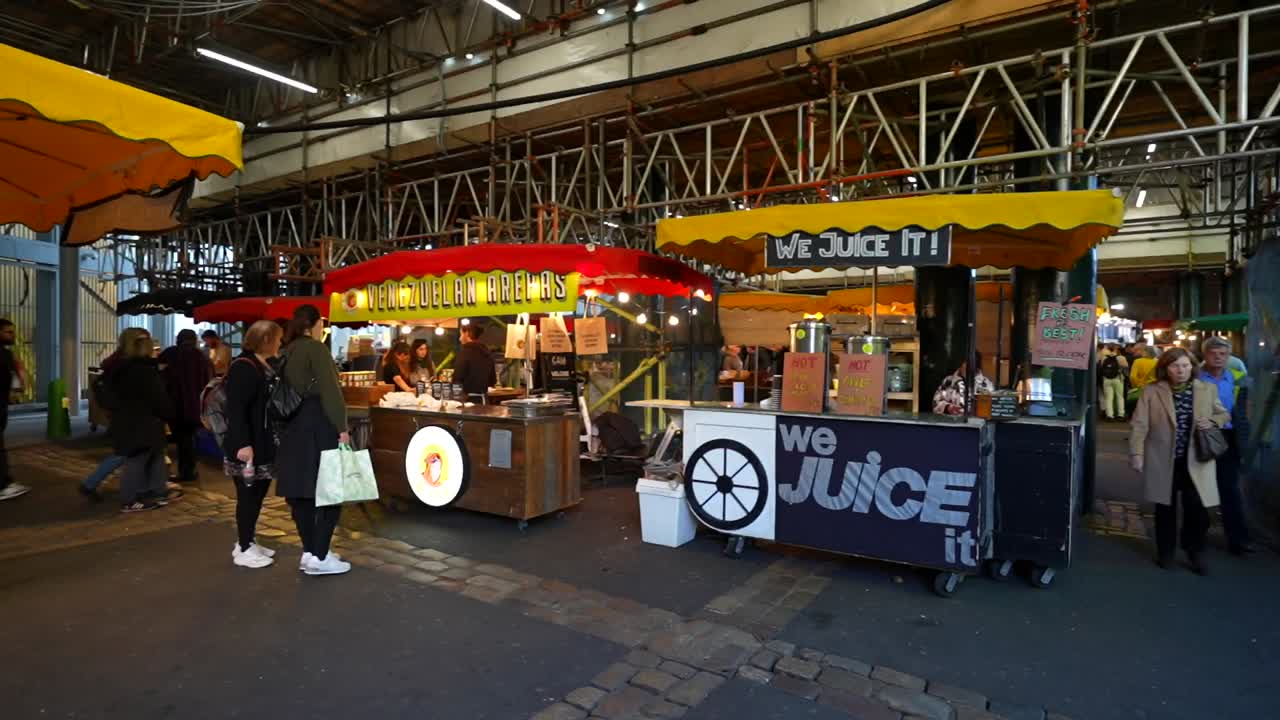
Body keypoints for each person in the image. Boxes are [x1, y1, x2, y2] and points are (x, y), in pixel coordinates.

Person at [1129, 347, 1229, 574]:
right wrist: (1137, 454)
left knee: (1198, 510)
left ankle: (1195, 552)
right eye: (1175, 366)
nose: (1181, 370)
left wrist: (1213, 421)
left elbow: (1224, 414)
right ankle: (1166, 552)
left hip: (1197, 459)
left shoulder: (1207, 389)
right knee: (1165, 509)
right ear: (1165, 368)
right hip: (1163, 459)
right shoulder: (1151, 391)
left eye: (1185, 365)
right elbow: (1139, 424)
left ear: (1192, 367)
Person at [276, 304, 351, 576]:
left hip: (292, 425)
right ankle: (320, 555)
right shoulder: (316, 349)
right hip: (319, 423)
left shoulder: (288, 349)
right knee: (331, 490)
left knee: (301, 492)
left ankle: (310, 551)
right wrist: (341, 427)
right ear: (316, 324)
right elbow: (331, 392)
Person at [224, 320, 284, 569]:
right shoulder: (244, 367)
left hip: (262, 441)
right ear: (267, 340)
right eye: (278, 338)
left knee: (257, 494)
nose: (281, 343)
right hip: (248, 444)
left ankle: (247, 540)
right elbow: (236, 409)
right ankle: (245, 546)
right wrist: (243, 443)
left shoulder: (261, 364)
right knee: (248, 496)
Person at [109, 329, 178, 512]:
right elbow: (159, 399)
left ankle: (157, 492)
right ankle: (130, 500)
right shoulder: (144, 371)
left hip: (129, 422)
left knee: (154, 457)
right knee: (137, 461)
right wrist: (169, 413)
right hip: (144, 423)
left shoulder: (119, 368)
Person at [80, 327, 152, 501]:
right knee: (127, 453)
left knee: (128, 452)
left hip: (121, 414)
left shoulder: (115, 361)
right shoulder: (128, 364)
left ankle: (93, 483)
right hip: (129, 416)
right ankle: (93, 484)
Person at [1199, 336, 1255, 556]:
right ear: (1205, 355)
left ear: (1229, 356)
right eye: (1214, 353)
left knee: (1229, 489)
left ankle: (1238, 539)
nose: (1218, 357)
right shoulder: (1195, 377)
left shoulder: (1239, 378)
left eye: (1223, 354)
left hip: (1229, 436)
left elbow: (1245, 410)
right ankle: (1197, 534)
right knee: (1200, 487)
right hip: (1202, 435)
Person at [162, 329, 213, 483]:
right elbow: (208, 381)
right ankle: (189, 470)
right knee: (189, 439)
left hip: (175, 405)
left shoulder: (170, 354)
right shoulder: (202, 357)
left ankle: (186, 472)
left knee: (182, 440)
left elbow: (161, 376)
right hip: (196, 406)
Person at [0, 319, 30, 501]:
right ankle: (3, 485)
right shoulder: (4, 355)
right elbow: (14, 381)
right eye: (8, 332)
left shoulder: (6, 354)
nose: (12, 336)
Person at [453, 324, 496, 400]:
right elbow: (492, 381)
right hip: (484, 401)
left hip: (467, 402)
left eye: (461, 335)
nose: (460, 339)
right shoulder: (487, 353)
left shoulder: (465, 353)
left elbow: (457, 378)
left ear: (466, 334)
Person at [1099, 344, 1128, 420]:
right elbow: (1126, 367)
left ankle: (1109, 415)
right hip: (1118, 379)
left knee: (1108, 398)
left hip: (1107, 379)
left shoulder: (1104, 358)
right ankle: (1120, 414)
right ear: (1116, 349)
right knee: (1119, 397)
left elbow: (1101, 368)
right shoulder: (1121, 358)